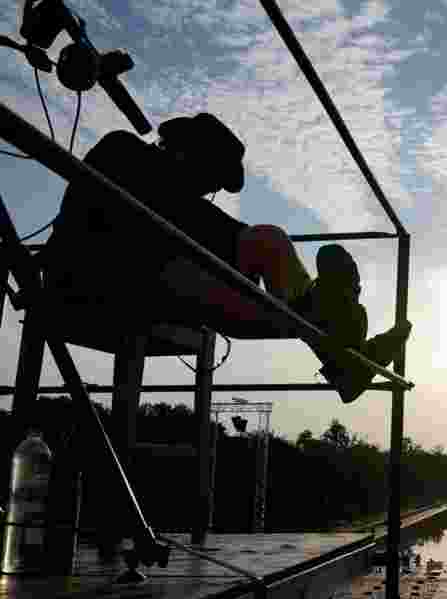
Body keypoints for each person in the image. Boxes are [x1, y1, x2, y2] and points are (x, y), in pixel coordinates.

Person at [45, 112, 412, 404]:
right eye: (213, 180)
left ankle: (335, 341)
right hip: (93, 281)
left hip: (156, 281)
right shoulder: (124, 151)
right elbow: (157, 218)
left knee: (269, 239)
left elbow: (226, 233)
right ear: (186, 153)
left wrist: (260, 254)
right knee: (207, 271)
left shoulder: (184, 205)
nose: (211, 191)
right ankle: (340, 350)